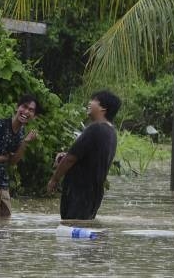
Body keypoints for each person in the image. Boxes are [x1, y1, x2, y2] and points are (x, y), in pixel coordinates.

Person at [47, 90, 121, 221]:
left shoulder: (95, 129)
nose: (89, 103)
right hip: (94, 193)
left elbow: (70, 159)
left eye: (93, 100)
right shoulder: (111, 132)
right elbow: (91, 159)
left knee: (71, 228)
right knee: (82, 230)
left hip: (79, 192)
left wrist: (54, 179)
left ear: (103, 108)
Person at [0, 94, 40, 218]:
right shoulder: (0, 125)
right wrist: (6, 158)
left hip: (2, 181)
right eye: (24, 107)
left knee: (6, 220)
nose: (26, 112)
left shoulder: (21, 132)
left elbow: (13, 161)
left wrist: (25, 142)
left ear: (34, 116)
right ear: (17, 107)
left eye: (31, 110)